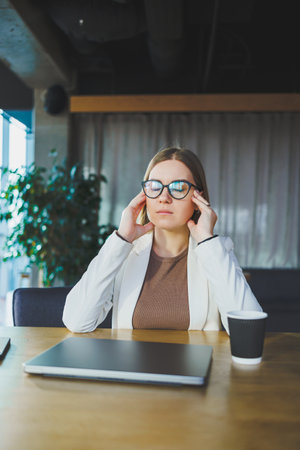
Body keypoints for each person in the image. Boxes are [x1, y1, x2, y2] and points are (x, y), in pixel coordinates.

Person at [63, 147, 262, 333]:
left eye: (178, 187)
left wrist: (206, 242)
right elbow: (77, 322)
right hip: (131, 368)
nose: (163, 197)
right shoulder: (125, 250)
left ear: (197, 200)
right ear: (144, 196)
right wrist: (122, 239)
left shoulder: (216, 251)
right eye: (154, 186)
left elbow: (248, 329)